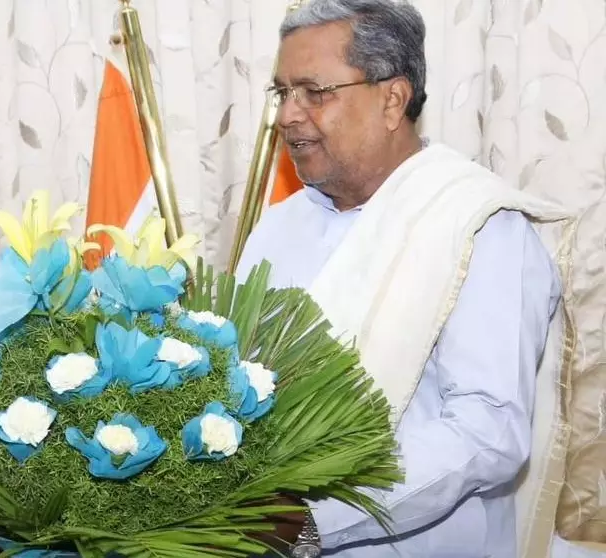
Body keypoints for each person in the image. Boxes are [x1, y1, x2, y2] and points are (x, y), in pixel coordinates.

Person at [235, 1, 574, 557]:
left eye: (313, 93)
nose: (287, 116)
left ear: (392, 99)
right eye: (282, 93)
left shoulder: (478, 228)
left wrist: (313, 518)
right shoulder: (277, 228)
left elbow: (486, 430)